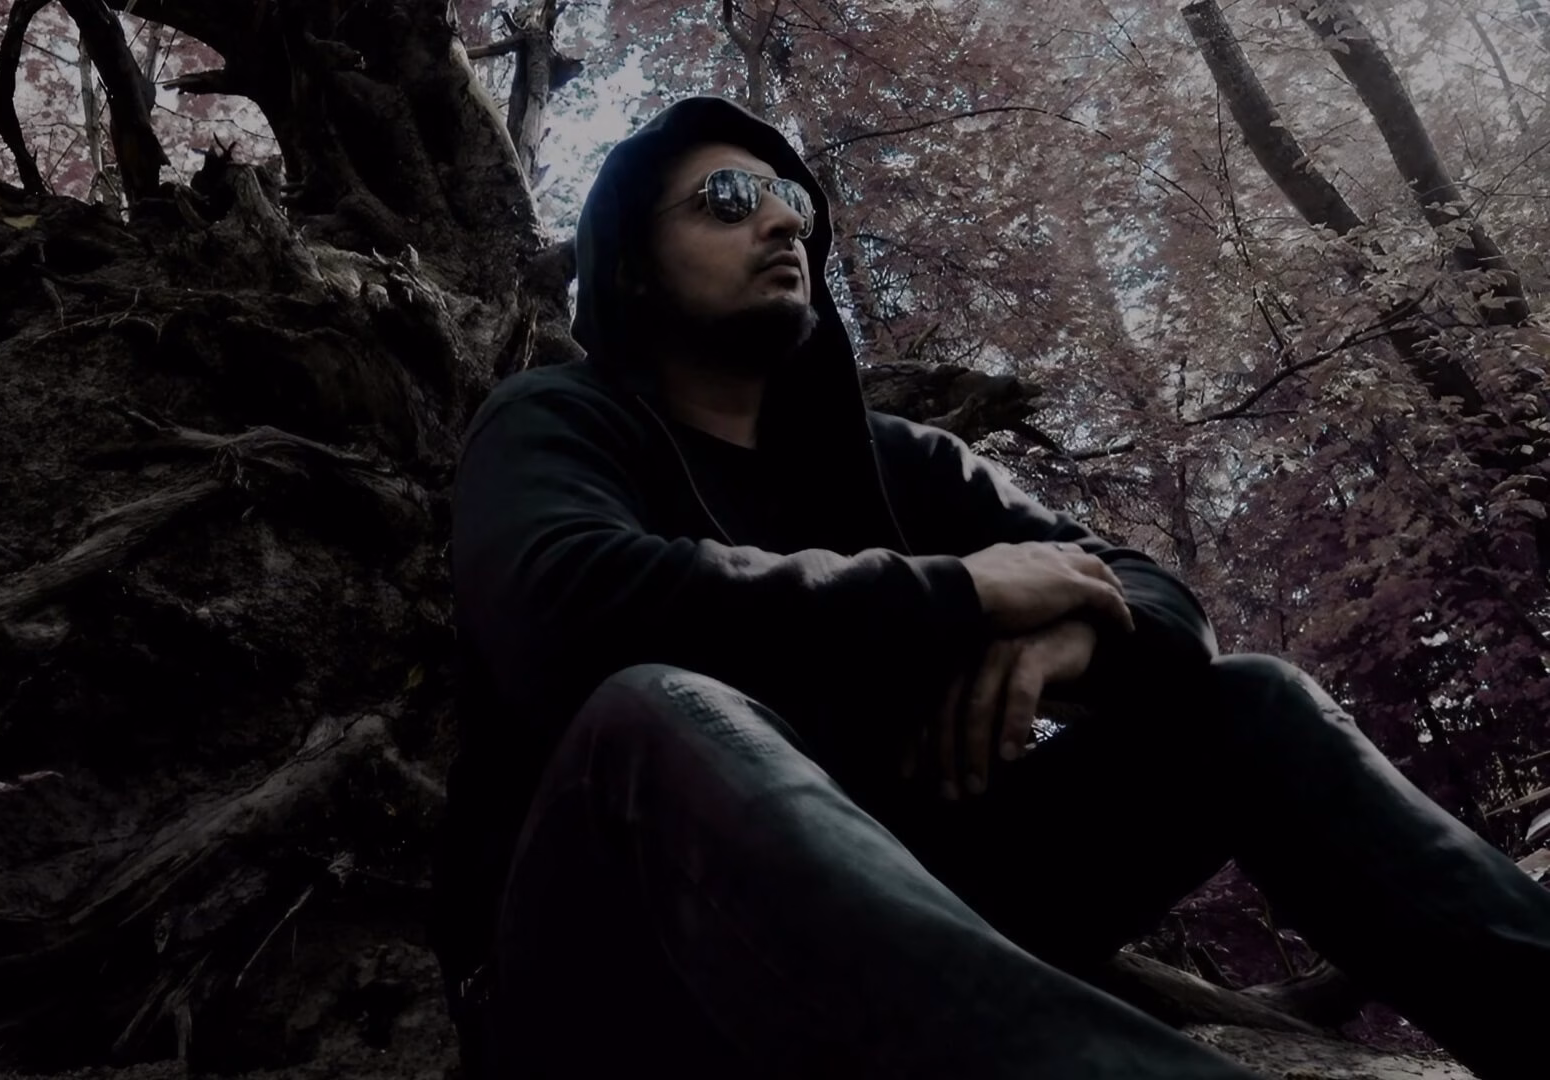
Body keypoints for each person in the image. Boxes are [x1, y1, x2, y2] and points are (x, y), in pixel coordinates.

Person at [425, 95, 1550, 1079]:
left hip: (920, 924)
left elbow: (1160, 602)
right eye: (726, 198)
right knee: (657, 710)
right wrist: (962, 596)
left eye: (794, 203)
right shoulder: (558, 420)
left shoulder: (905, 463)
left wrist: (1073, 642)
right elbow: (561, 609)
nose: (780, 222)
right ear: (628, 262)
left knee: (1250, 702)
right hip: (619, 974)